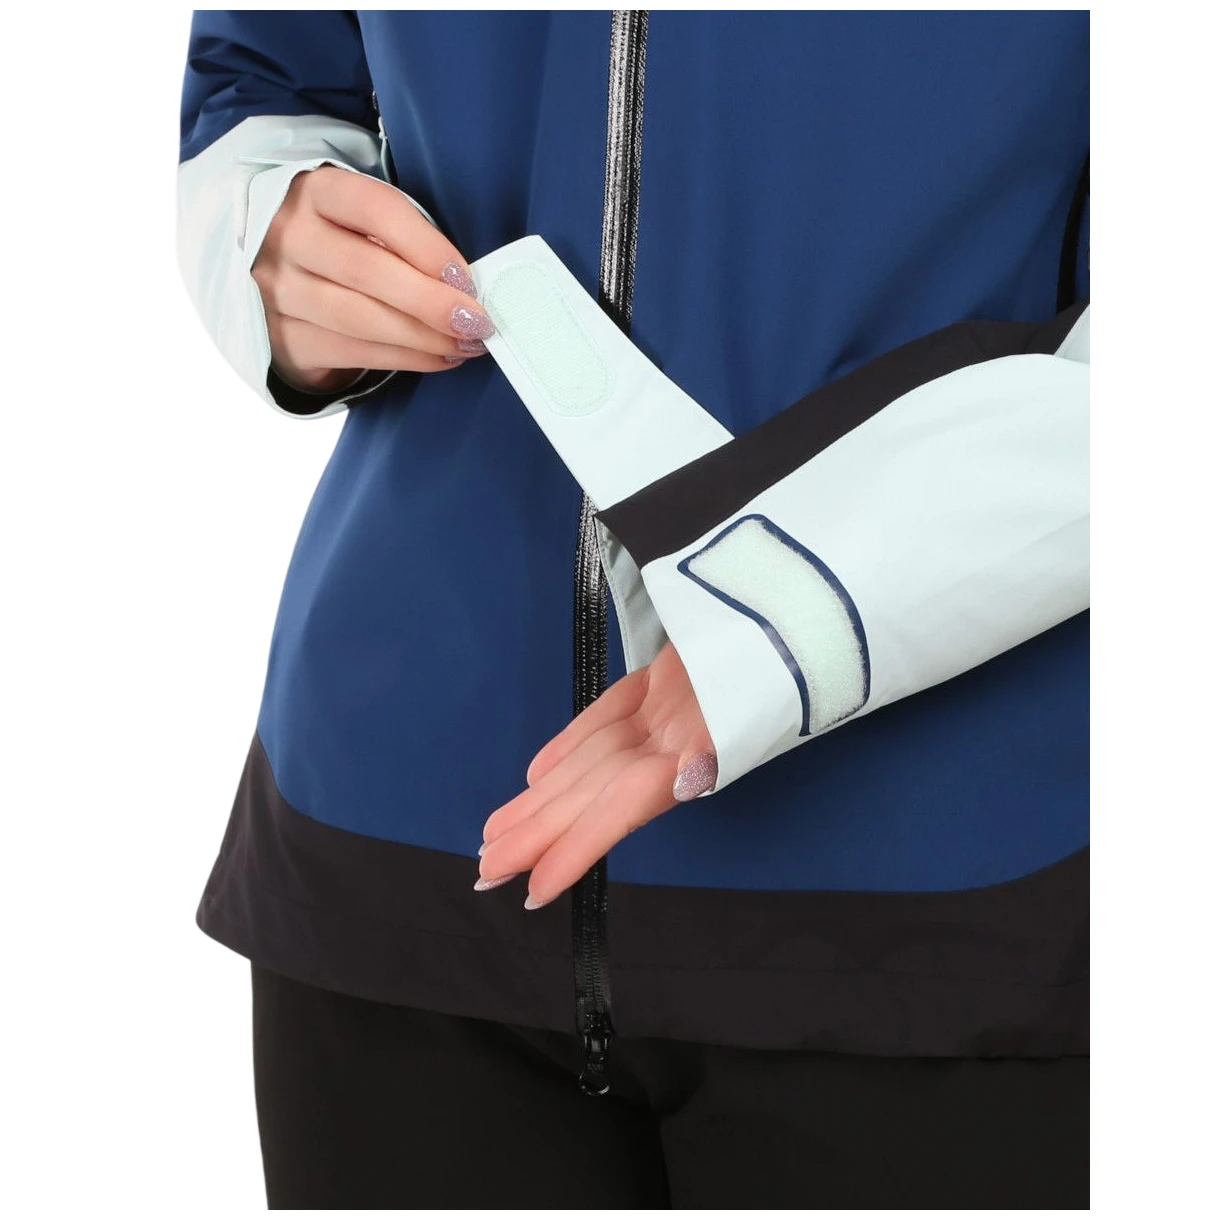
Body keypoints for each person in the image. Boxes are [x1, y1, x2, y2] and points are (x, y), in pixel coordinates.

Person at [178, 10, 1090, 1209]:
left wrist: (789, 606)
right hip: (394, 855)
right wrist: (268, 224)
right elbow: (261, 72)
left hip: (943, 885)